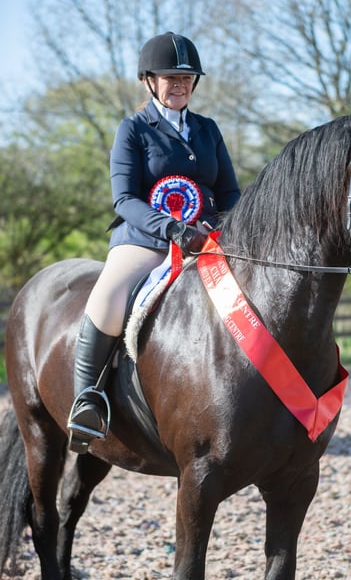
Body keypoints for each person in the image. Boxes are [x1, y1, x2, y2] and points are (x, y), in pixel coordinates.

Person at [67, 32, 241, 452]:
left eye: (186, 78)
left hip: (206, 238)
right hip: (146, 239)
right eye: (170, 77)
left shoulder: (208, 129)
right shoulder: (133, 129)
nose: (179, 84)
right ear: (149, 80)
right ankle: (87, 400)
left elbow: (230, 192)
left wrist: (221, 225)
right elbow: (125, 199)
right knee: (109, 297)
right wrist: (173, 229)